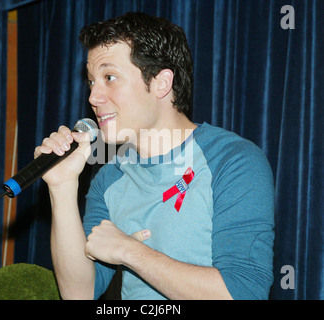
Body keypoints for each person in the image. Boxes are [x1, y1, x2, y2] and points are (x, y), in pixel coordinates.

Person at [34, 12, 275, 300]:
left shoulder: (234, 161)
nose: (93, 97)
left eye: (109, 77)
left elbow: (244, 293)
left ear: (161, 83)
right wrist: (61, 188)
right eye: (91, 82)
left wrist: (130, 251)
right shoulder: (109, 176)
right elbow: (78, 293)